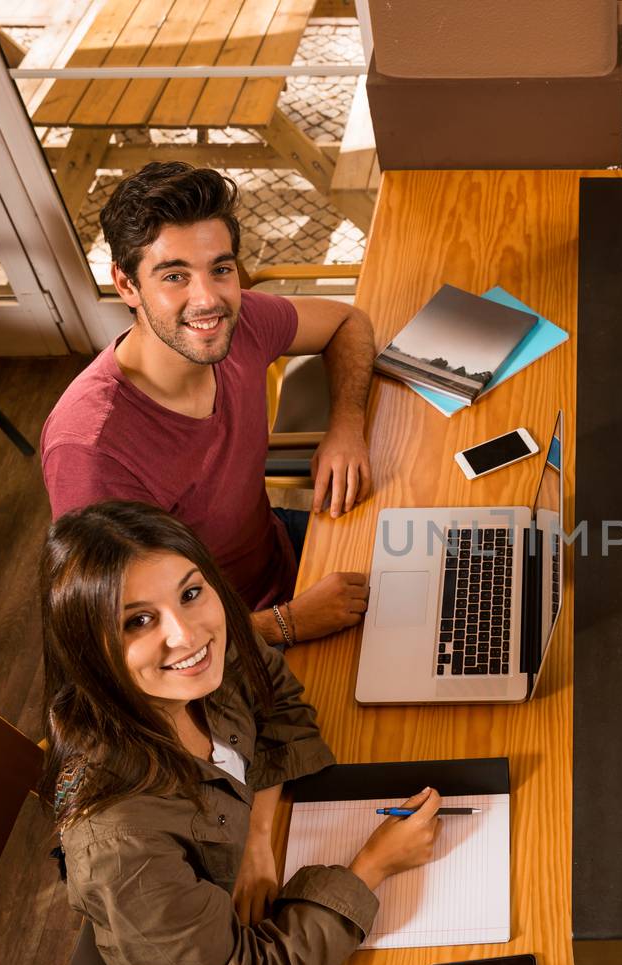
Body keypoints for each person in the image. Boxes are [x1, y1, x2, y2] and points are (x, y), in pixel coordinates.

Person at [41, 500, 440, 965]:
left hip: (246, 892)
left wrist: (257, 837)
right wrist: (373, 865)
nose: (187, 635)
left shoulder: (214, 649)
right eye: (138, 620)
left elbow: (279, 707)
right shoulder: (119, 848)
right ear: (90, 649)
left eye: (189, 592)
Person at [41, 161, 373, 649]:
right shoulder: (91, 452)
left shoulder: (235, 323)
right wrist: (287, 622)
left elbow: (348, 323)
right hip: (218, 652)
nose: (208, 299)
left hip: (285, 556)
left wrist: (345, 425)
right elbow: (125, 635)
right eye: (174, 276)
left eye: (220, 269)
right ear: (127, 284)